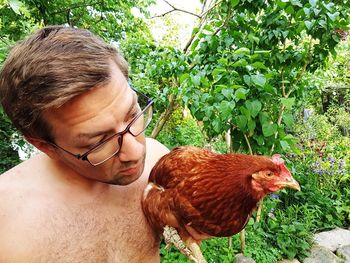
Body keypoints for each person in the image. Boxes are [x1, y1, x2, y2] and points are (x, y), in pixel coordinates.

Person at [0, 26, 169, 262]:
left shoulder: (160, 167)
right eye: (99, 141)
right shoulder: (8, 230)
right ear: (44, 146)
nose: (136, 151)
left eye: (132, 114)